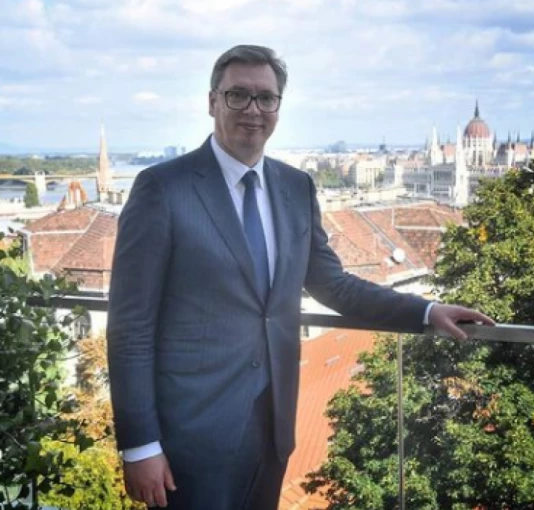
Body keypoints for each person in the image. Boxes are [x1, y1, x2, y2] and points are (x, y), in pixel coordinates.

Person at [106, 44, 494, 510]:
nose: (253, 109)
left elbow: (333, 284)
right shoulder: (163, 188)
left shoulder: (295, 187)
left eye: (266, 98)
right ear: (212, 102)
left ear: (278, 107)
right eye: (237, 95)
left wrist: (426, 311)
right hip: (189, 435)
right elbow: (130, 326)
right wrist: (140, 444)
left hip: (272, 428)